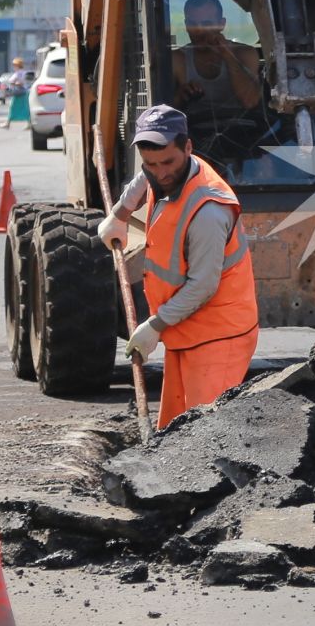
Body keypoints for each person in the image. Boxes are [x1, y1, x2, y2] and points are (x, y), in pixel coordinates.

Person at [96, 104, 260, 430]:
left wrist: (154, 326)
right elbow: (144, 179)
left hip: (218, 336)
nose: (160, 173)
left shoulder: (209, 211)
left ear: (188, 147)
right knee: (173, 431)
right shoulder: (162, 172)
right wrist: (119, 215)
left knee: (205, 438)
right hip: (184, 330)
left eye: (167, 162)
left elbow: (202, 285)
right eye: (150, 164)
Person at [171, 0, 262, 112]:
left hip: (243, 127)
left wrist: (228, 56)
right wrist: (181, 97)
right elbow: (162, 110)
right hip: (191, 128)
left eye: (206, 24)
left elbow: (250, 101)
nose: (198, 31)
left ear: (221, 24)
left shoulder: (245, 54)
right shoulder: (177, 59)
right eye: (192, 24)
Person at [1, 57, 30, 129]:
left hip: (20, 92)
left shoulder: (20, 73)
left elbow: (21, 83)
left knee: (14, 107)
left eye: (15, 65)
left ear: (18, 65)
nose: (14, 66)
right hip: (20, 92)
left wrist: (15, 83)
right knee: (23, 108)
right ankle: (28, 123)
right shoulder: (20, 72)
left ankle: (8, 123)